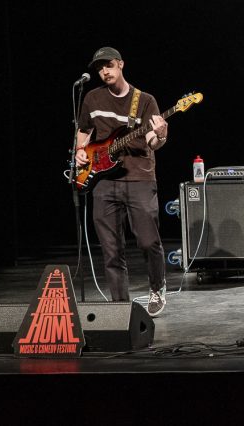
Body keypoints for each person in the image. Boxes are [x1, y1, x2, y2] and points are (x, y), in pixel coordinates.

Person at [75, 47, 169, 316]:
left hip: (139, 177)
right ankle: (120, 306)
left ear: (121, 65)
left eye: (109, 65)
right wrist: (80, 151)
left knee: (148, 241)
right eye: (100, 68)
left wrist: (161, 134)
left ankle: (157, 287)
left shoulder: (145, 100)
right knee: (111, 249)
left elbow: (152, 141)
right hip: (103, 180)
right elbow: (84, 131)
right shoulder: (92, 98)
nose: (104, 71)